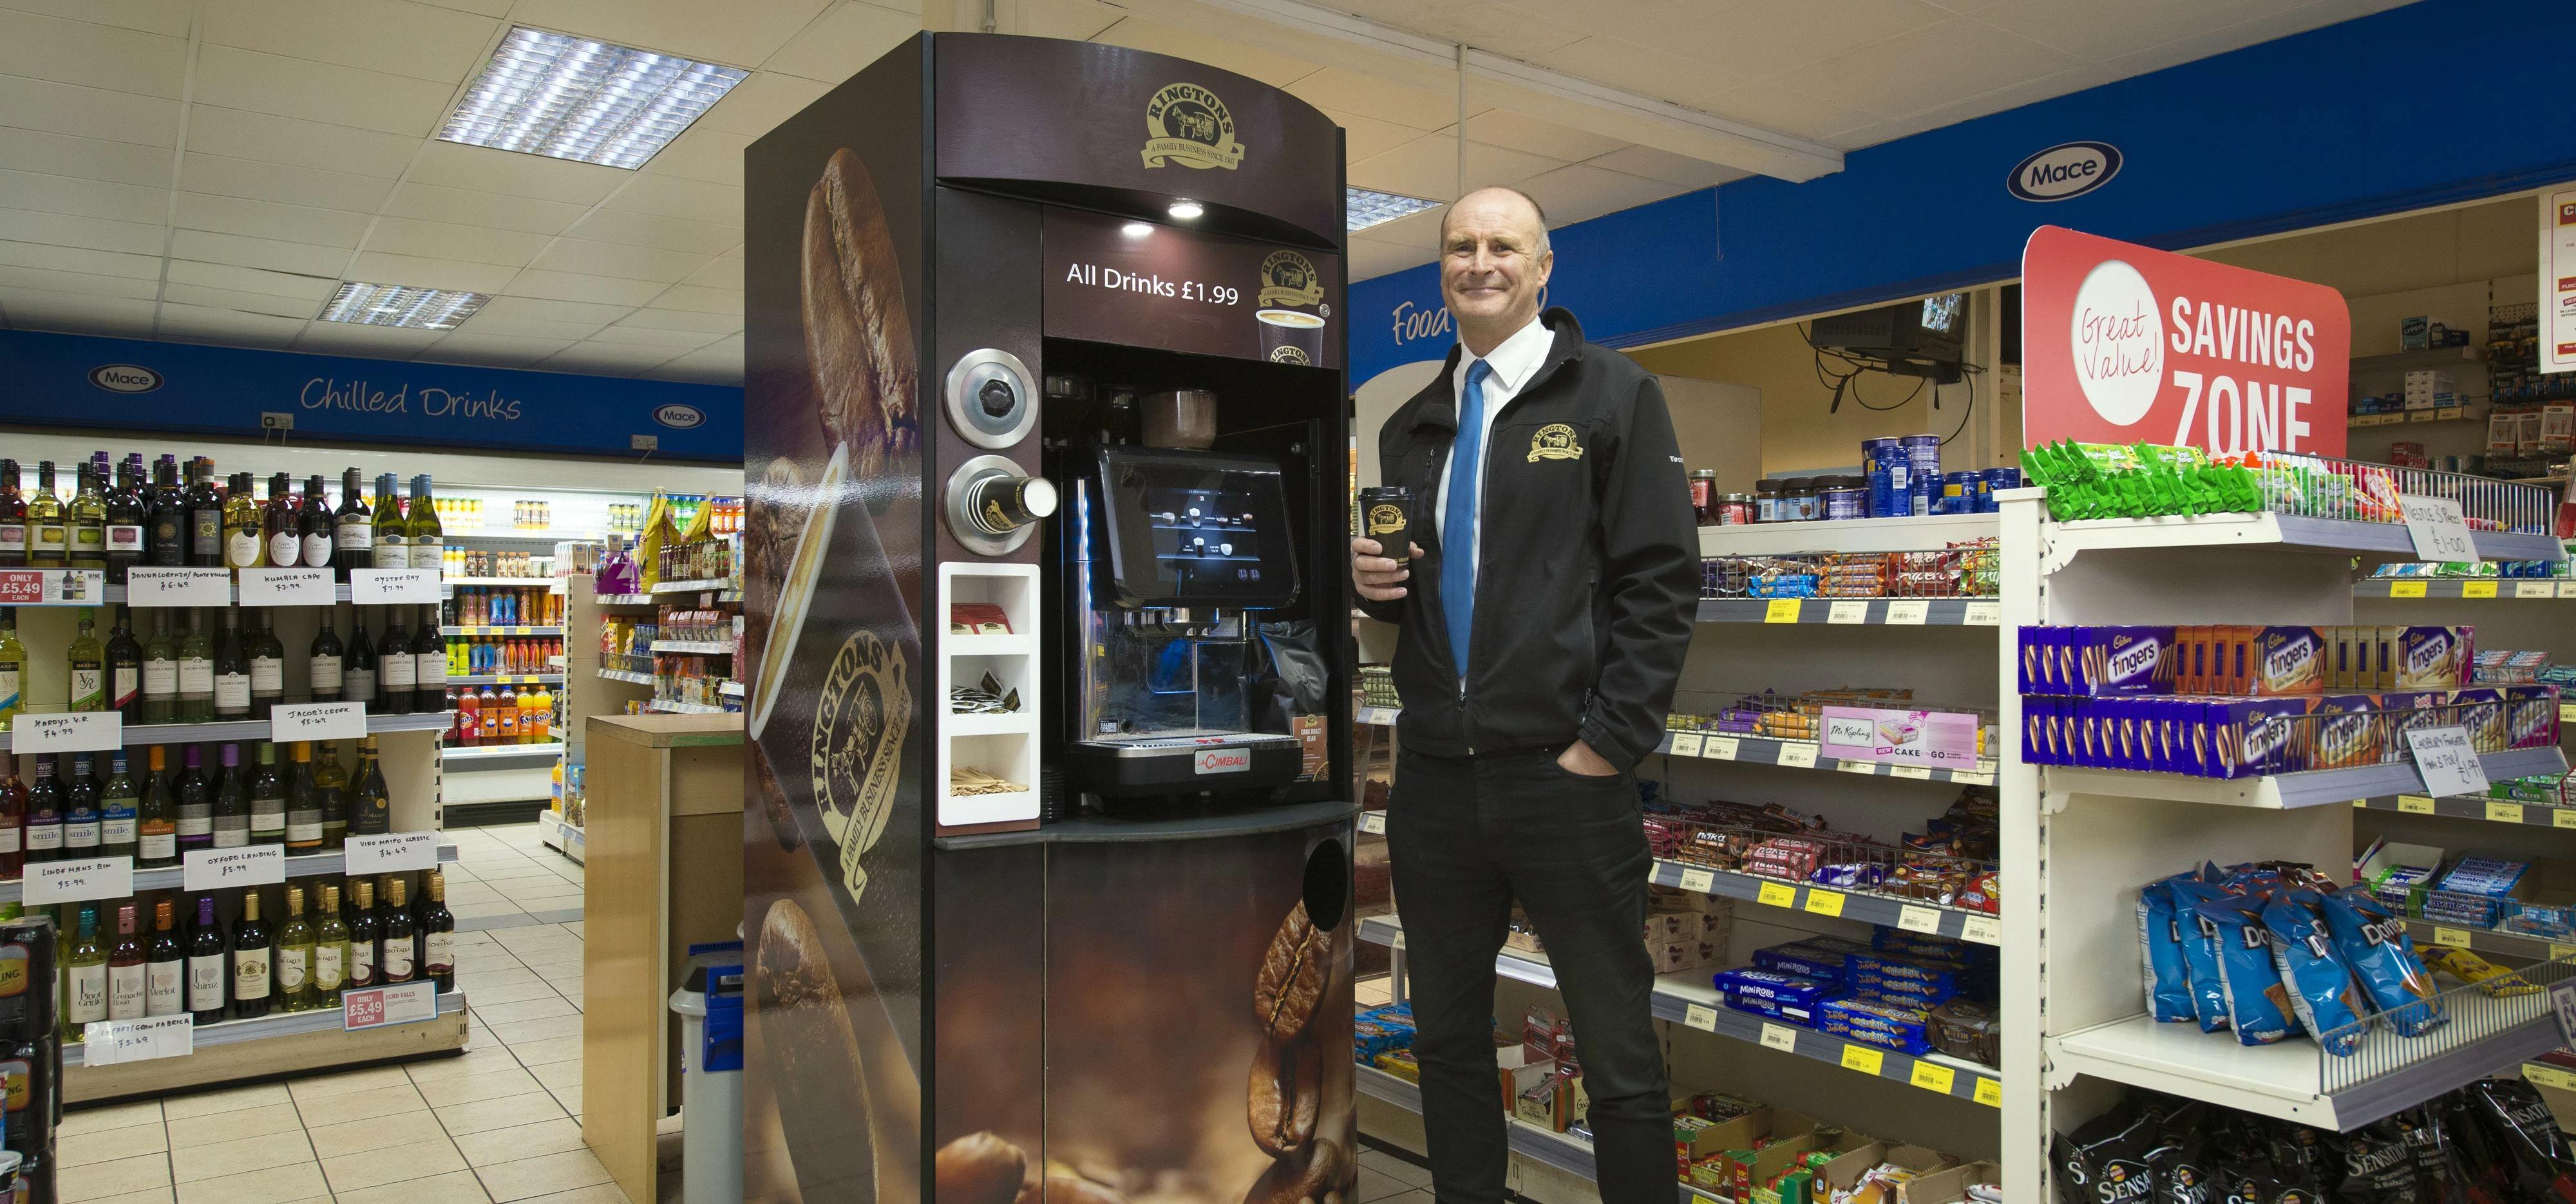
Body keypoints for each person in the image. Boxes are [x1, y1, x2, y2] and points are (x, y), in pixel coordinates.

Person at [1352, 187, 1698, 1202]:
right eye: (1461, 246)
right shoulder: (1414, 423)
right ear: (1442, 272)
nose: (1480, 261)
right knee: (1449, 1036)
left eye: (1504, 245)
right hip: (1437, 786)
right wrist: (1372, 585)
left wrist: (1606, 744)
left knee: (1618, 1050)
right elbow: (1411, 595)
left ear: (1545, 268)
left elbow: (1660, 580)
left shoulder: (1612, 396)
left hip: (1565, 780)